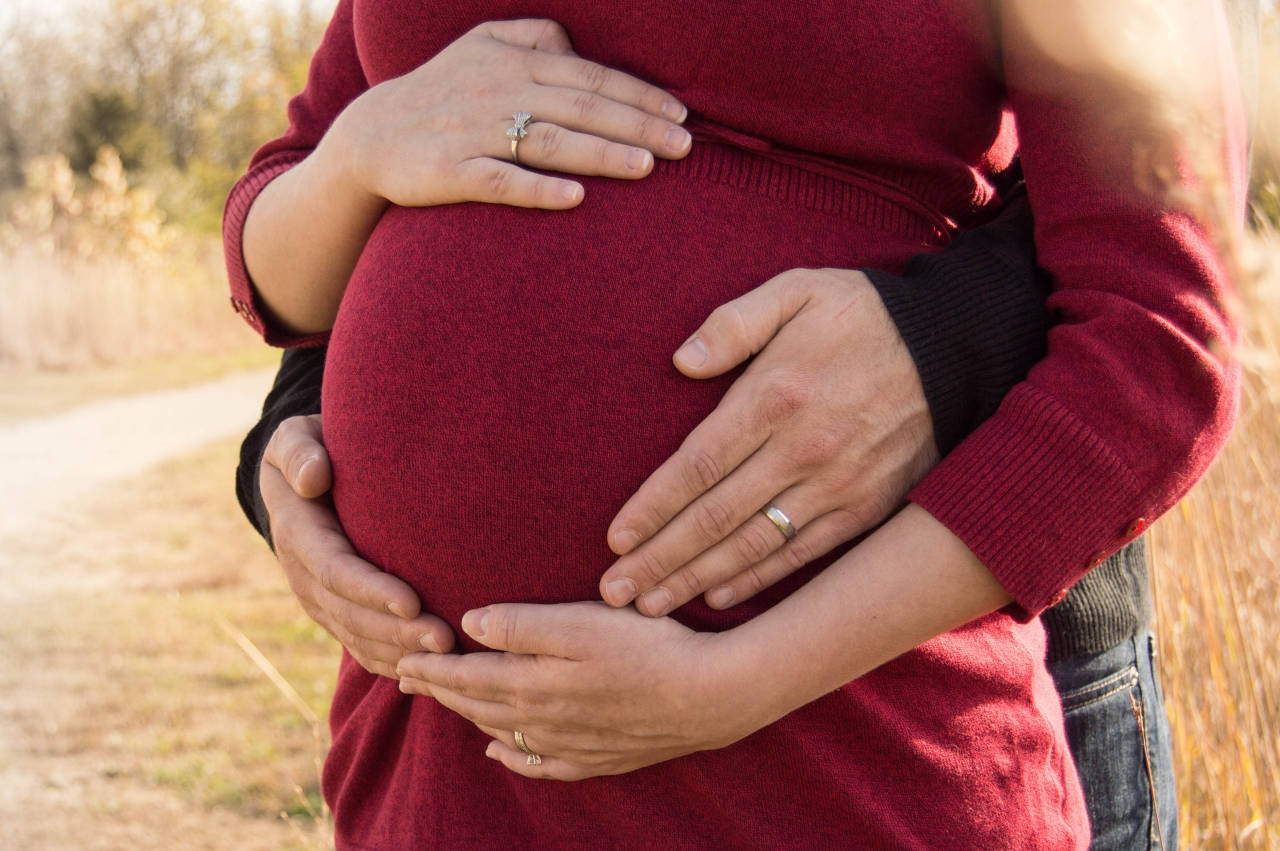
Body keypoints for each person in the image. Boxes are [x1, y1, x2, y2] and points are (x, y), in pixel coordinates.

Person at [223, 3, 1244, 848]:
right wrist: (352, 174)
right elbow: (295, 211)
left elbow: (1158, 337)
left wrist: (734, 681)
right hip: (446, 768)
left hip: (846, 758)